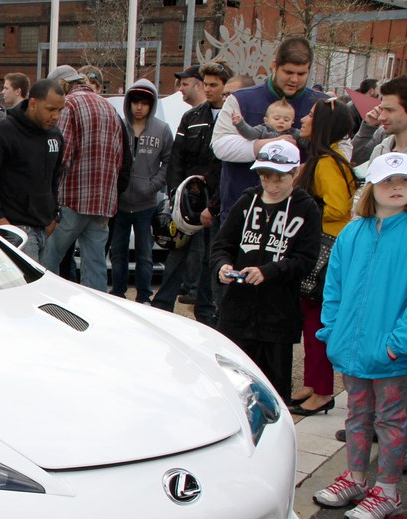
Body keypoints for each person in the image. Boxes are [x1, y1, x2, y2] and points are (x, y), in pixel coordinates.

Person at [311, 152, 407, 519]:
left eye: (403, 181)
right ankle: (354, 479)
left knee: (392, 421)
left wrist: (396, 342)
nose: (397, 187)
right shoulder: (352, 232)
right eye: (388, 181)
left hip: (391, 353)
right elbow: (333, 286)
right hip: (352, 348)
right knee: (357, 415)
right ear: (372, 187)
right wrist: (332, 330)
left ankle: (386, 491)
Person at [210, 139, 321, 403]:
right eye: (264, 177)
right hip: (237, 312)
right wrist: (222, 266)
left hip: (278, 316)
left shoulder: (306, 207)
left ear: (295, 173)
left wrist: (269, 271)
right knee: (232, 386)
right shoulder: (247, 200)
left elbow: (306, 259)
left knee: (273, 390)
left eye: (279, 179)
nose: (271, 186)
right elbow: (221, 245)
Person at [288, 98, 357, 417]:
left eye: (312, 115)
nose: (304, 118)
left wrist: (307, 212)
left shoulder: (327, 163)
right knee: (310, 319)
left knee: (316, 321)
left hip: (324, 250)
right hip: (322, 248)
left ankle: (324, 390)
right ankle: (315, 384)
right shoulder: (324, 159)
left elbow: (339, 208)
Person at [211, 36, 328, 221]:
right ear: (274, 66)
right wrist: (269, 144)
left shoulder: (322, 104)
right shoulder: (241, 99)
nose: (294, 79)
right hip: (242, 210)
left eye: (301, 73)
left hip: (297, 215)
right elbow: (220, 146)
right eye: (288, 72)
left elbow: (340, 149)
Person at [152, 61, 232, 321]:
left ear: (225, 86)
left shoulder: (233, 118)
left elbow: (226, 165)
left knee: (211, 256)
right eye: (206, 84)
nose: (208, 89)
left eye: (214, 85)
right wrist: (176, 193)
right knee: (178, 251)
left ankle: (206, 312)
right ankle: (162, 306)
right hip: (189, 198)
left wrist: (215, 204)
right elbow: (177, 158)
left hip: (218, 198)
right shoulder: (192, 116)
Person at [42, 65, 124, 291]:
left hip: (72, 198)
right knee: (96, 264)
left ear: (61, 85)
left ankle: (46, 303)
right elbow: (118, 157)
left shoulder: (69, 105)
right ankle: (95, 313)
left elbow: (62, 155)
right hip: (103, 200)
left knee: (48, 260)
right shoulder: (109, 108)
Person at [0, 78, 65, 262]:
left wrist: (54, 214)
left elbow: (55, 176)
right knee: (24, 288)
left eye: (60, 110)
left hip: (43, 227)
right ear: (34, 103)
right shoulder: (2, 131)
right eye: (51, 109)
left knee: (41, 288)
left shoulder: (55, 135)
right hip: (15, 227)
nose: (56, 116)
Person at [111, 79, 173, 304]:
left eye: (144, 103)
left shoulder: (162, 129)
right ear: (128, 102)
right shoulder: (118, 126)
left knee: (145, 254)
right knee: (118, 251)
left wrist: (153, 185)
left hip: (147, 203)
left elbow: (169, 163)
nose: (139, 107)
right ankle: (118, 293)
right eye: (135, 102)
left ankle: (144, 296)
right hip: (119, 201)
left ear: (152, 104)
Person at [351, 76, 407, 167]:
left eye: (390, 110)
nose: (381, 117)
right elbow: (354, 158)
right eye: (382, 109)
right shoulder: (381, 143)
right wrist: (367, 127)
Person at [232, 99, 298, 140]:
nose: (281, 121)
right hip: (265, 160)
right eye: (276, 118)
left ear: (292, 122)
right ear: (266, 120)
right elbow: (250, 134)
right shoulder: (263, 129)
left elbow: (306, 142)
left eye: (286, 120)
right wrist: (240, 123)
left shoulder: (294, 133)